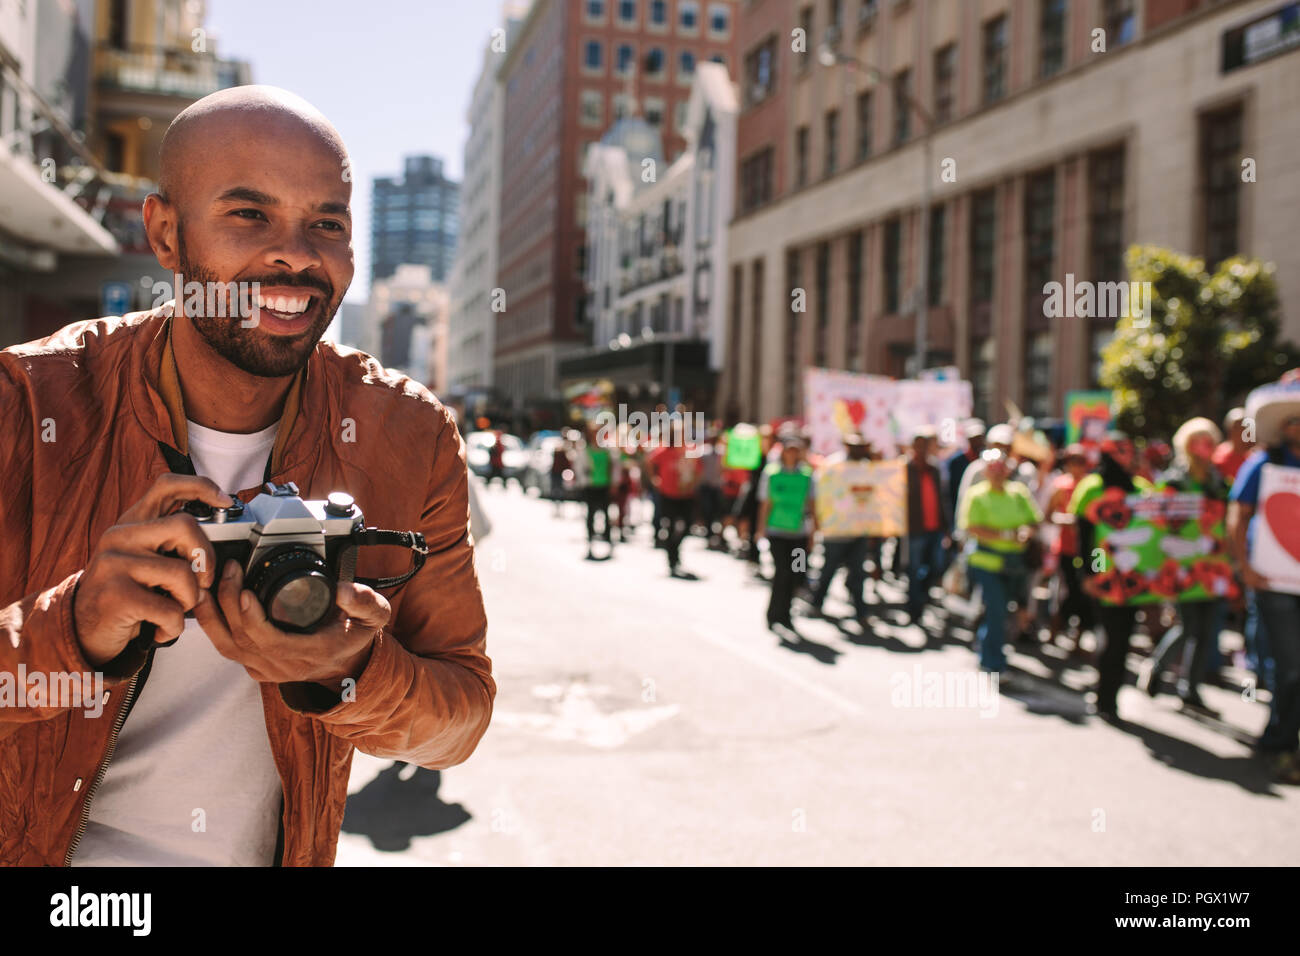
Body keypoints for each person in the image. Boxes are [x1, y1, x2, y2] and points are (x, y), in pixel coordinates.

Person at [0, 86, 494, 866]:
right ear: (163, 233)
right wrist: (74, 627)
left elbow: (458, 722)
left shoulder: (408, 432)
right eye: (249, 214)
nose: (295, 255)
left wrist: (349, 670)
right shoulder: (27, 404)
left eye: (325, 223)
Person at [1228, 378, 1300, 784]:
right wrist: (1246, 568)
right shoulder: (1263, 463)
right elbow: (1237, 515)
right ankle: (1283, 741)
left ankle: (1280, 733)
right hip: (1274, 583)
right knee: (1290, 667)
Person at [1140, 418, 1229, 716]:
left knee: (1206, 631)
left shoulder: (1216, 481)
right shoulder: (1175, 480)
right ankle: (1157, 666)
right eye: (1199, 440)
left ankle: (1190, 689)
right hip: (1182, 566)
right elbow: (1160, 523)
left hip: (1213, 566)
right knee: (1187, 625)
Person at [1070, 432, 1152, 721]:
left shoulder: (1141, 489)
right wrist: (1092, 573)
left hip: (1134, 575)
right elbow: (1086, 536)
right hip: (1103, 570)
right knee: (1109, 636)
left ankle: (1111, 692)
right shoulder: (1091, 489)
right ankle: (1105, 696)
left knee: (1124, 636)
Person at [959, 450, 1043, 675]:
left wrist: (1025, 532)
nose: (997, 473)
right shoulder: (977, 494)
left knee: (1003, 612)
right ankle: (993, 661)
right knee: (996, 610)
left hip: (1015, 563)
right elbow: (972, 527)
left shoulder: (1018, 492)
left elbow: (1034, 520)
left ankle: (987, 646)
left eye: (1001, 468)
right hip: (986, 563)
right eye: (992, 468)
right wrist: (1007, 535)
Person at [807, 433, 873, 623]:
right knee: (828, 569)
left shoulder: (866, 467)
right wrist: (819, 521)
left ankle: (861, 611)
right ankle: (817, 603)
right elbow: (821, 493)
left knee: (858, 572)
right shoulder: (833, 465)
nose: (859, 450)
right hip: (836, 529)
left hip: (858, 529)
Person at [758, 434, 817, 632]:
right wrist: (761, 529)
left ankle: (786, 613)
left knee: (796, 574)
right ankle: (774, 614)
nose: (792, 454)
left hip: (799, 534)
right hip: (777, 532)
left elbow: (812, 505)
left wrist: (812, 535)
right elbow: (766, 504)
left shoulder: (807, 475)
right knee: (782, 572)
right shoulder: (772, 473)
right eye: (789, 450)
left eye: (796, 450)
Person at [1046, 444, 1094, 645]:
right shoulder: (1060, 485)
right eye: (1073, 462)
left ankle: (1080, 637)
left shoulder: (1093, 485)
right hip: (1067, 548)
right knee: (1071, 590)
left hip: (1095, 551)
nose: (1077, 467)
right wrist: (1067, 520)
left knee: (1091, 593)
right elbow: (1048, 515)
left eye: (1081, 462)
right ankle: (1056, 628)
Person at [905, 427, 949, 625]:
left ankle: (923, 597)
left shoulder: (935, 469)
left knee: (936, 566)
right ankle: (915, 609)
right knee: (913, 569)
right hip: (915, 528)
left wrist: (946, 526)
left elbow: (941, 499)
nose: (922, 449)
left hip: (935, 528)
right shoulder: (904, 469)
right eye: (919, 445)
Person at [648, 419, 700, 578]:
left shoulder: (690, 450)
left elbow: (698, 471)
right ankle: (672, 558)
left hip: (686, 495)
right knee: (669, 527)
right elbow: (650, 462)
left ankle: (674, 549)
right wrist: (654, 479)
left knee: (688, 525)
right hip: (668, 494)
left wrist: (692, 484)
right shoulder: (663, 450)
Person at [579, 424, 618, 560]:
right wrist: (583, 481)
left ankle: (608, 542)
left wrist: (614, 483)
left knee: (607, 515)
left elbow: (614, 467)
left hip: (604, 486)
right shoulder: (585, 450)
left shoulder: (608, 450)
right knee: (591, 515)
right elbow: (580, 468)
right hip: (591, 486)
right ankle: (590, 541)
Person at [1214, 407, 1253, 483]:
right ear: (1229, 430)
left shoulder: (1257, 456)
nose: (1242, 432)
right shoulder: (1218, 456)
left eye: (1245, 428)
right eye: (1237, 428)